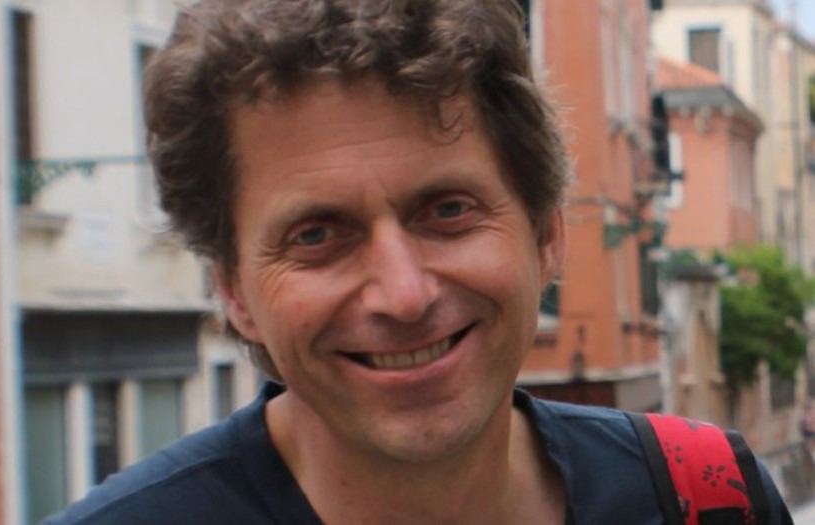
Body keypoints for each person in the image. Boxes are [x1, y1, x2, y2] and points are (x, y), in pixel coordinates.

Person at [42, 1, 792, 523]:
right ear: (234, 289)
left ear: (545, 234)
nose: (403, 295)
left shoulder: (707, 499)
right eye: (316, 235)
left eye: (448, 211)